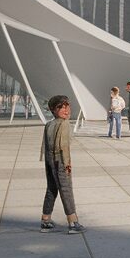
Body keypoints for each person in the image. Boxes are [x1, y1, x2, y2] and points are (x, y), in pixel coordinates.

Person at [40, 95, 82, 234]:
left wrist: (48, 162)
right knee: (66, 189)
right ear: (53, 110)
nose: (66, 110)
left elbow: (45, 147)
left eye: (67, 106)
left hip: (50, 161)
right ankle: (73, 222)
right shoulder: (64, 124)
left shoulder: (49, 124)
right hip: (61, 161)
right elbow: (64, 147)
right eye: (61, 107)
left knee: (51, 189)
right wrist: (67, 165)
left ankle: (45, 220)